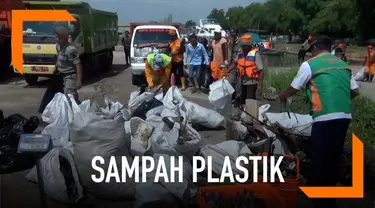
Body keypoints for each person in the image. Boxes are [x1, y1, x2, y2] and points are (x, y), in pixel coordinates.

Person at [279, 35, 359, 208]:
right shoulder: (342, 64)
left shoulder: (310, 64)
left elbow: (294, 87)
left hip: (324, 117)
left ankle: (322, 202)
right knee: (333, 157)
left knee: (321, 159)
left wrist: (283, 95)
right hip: (344, 116)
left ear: (315, 49)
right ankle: (329, 197)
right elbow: (355, 90)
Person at [38, 23, 82, 113]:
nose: (56, 39)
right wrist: (56, 67)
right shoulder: (59, 47)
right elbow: (59, 58)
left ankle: (74, 116)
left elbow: (78, 65)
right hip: (61, 75)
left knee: (69, 98)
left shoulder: (70, 50)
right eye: (56, 37)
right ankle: (78, 111)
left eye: (58, 37)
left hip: (70, 77)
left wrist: (78, 81)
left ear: (64, 38)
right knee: (62, 96)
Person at [227, 34, 264, 107]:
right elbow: (235, 63)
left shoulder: (255, 54)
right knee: (242, 101)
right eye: (243, 46)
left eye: (245, 46)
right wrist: (227, 71)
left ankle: (251, 116)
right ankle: (243, 115)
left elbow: (261, 71)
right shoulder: (240, 53)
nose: (244, 48)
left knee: (250, 101)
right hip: (242, 81)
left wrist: (260, 85)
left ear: (249, 46)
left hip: (252, 82)